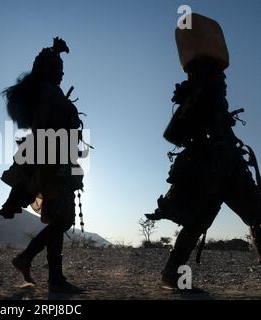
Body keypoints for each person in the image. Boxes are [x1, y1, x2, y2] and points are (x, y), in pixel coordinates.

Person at [146, 13, 261, 290]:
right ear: (211, 69)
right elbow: (207, 129)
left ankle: (171, 273)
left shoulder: (197, 92)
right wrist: (223, 145)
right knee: (257, 214)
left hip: (207, 168)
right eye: (219, 74)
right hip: (221, 165)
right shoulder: (207, 90)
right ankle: (171, 274)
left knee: (197, 222)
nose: (224, 78)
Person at [0, 38, 87, 293]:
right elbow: (51, 126)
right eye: (58, 69)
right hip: (52, 160)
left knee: (59, 219)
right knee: (62, 219)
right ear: (48, 70)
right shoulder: (47, 91)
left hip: (54, 157)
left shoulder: (45, 90)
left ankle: (45, 271)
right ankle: (41, 269)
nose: (61, 74)